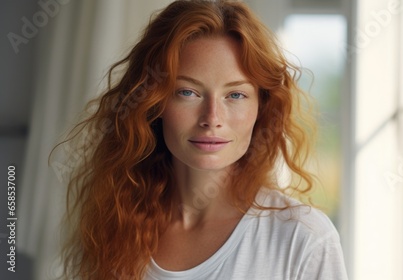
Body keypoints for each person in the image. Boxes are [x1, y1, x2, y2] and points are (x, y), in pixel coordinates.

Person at [57, 0, 348, 279]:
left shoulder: (304, 239)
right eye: (188, 92)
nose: (212, 117)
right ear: (153, 103)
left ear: (262, 107)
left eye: (235, 95)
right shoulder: (113, 226)